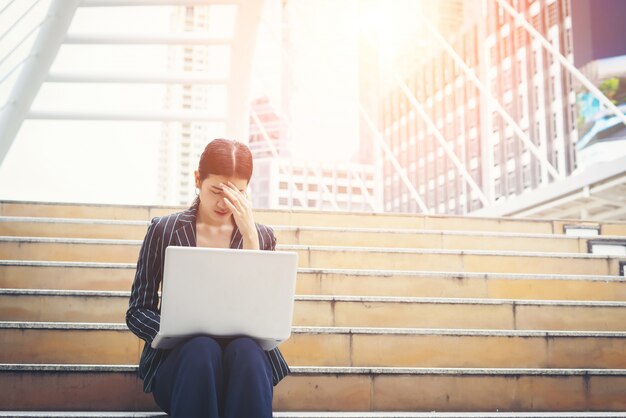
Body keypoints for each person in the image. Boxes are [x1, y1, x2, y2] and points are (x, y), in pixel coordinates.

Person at [126, 138, 290, 418]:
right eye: (217, 190)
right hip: (185, 367)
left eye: (237, 192)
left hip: (243, 371)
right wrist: (170, 332)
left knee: (248, 352)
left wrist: (251, 238)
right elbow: (138, 311)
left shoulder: (262, 237)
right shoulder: (163, 230)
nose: (225, 202)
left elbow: (268, 318)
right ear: (197, 179)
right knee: (202, 349)